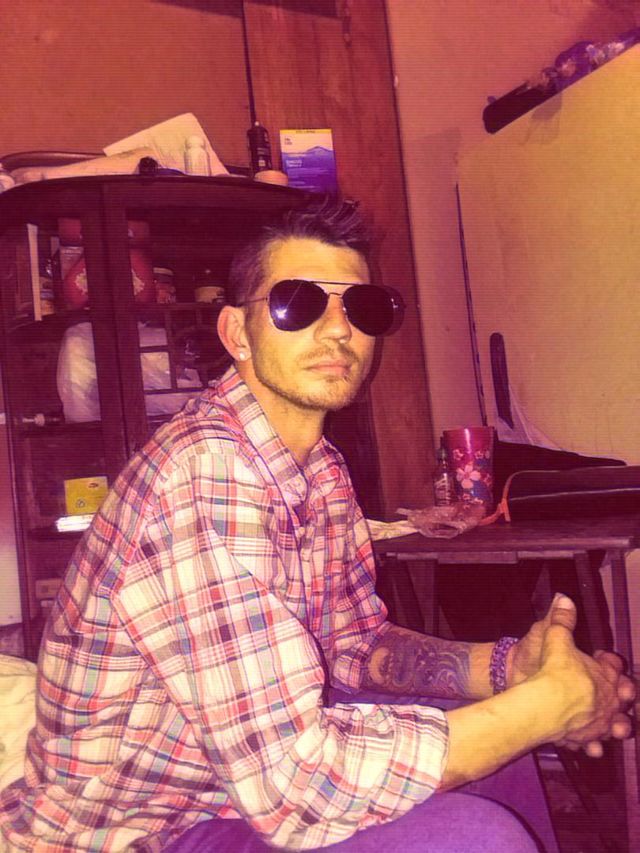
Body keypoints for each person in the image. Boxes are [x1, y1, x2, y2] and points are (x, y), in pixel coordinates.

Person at [0, 199, 634, 853]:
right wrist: (546, 706)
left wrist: (507, 668)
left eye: (362, 307)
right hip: (135, 829)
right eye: (297, 303)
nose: (338, 329)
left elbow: (352, 645)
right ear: (237, 333)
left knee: (495, 751)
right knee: (475, 835)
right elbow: (294, 786)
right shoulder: (205, 472)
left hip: (220, 787)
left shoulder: (322, 469)